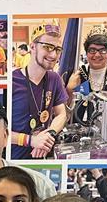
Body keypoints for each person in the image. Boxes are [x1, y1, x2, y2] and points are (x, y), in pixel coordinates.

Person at [10, 23, 68, 159]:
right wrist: (31, 141)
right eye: (47, 47)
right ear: (32, 47)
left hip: (43, 158)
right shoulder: (12, 81)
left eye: (58, 49)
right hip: (14, 160)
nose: (53, 55)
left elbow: (62, 114)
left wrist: (49, 134)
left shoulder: (54, 79)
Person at [66, 25, 107, 99]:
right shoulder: (78, 74)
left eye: (103, 50)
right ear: (86, 53)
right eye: (92, 50)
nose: (97, 55)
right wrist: (69, 90)